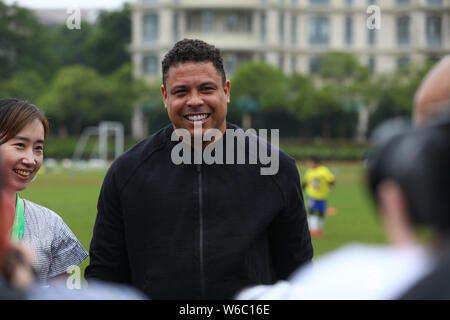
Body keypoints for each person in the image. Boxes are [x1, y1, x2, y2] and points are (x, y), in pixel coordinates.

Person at [85, 38, 313, 299]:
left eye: (206, 89)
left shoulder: (274, 168)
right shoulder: (127, 172)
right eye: (181, 92)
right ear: (165, 96)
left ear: (226, 91)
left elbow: (300, 276)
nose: (194, 101)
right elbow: (104, 278)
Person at [236, 56, 450, 300]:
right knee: (315, 215)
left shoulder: (354, 284)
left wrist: (413, 268)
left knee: (317, 215)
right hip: (317, 198)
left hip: (324, 203)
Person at [0, 99, 87, 286]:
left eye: (38, 148)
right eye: (20, 145)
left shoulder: (51, 226)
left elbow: (67, 297)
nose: (31, 160)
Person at [302, 155, 335, 237]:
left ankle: (319, 229)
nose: (308, 164)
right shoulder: (309, 172)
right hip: (312, 196)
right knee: (312, 211)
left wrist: (331, 186)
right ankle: (313, 230)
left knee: (321, 213)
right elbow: (305, 182)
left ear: (315, 162)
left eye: (310, 162)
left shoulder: (323, 170)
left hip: (322, 196)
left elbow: (331, 179)